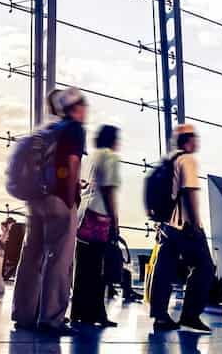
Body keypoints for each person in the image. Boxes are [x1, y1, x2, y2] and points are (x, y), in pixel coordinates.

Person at [12, 87, 87, 336]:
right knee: (59, 259)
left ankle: (23, 315)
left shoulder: (46, 131)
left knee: (31, 257)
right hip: (58, 199)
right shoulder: (73, 128)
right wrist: (69, 197)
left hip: (35, 200)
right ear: (74, 108)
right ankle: (51, 319)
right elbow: (72, 163)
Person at [149, 124, 214, 332]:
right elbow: (190, 192)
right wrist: (196, 224)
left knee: (164, 270)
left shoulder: (170, 160)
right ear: (188, 140)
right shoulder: (188, 160)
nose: (198, 141)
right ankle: (190, 315)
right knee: (204, 267)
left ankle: (160, 317)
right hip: (184, 225)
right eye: (195, 137)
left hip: (167, 225)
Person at [71, 125, 120, 328]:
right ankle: (96, 313)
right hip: (99, 217)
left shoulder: (93, 156)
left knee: (82, 267)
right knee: (98, 269)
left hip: (84, 214)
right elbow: (109, 191)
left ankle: (78, 312)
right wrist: (115, 221)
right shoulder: (110, 157)